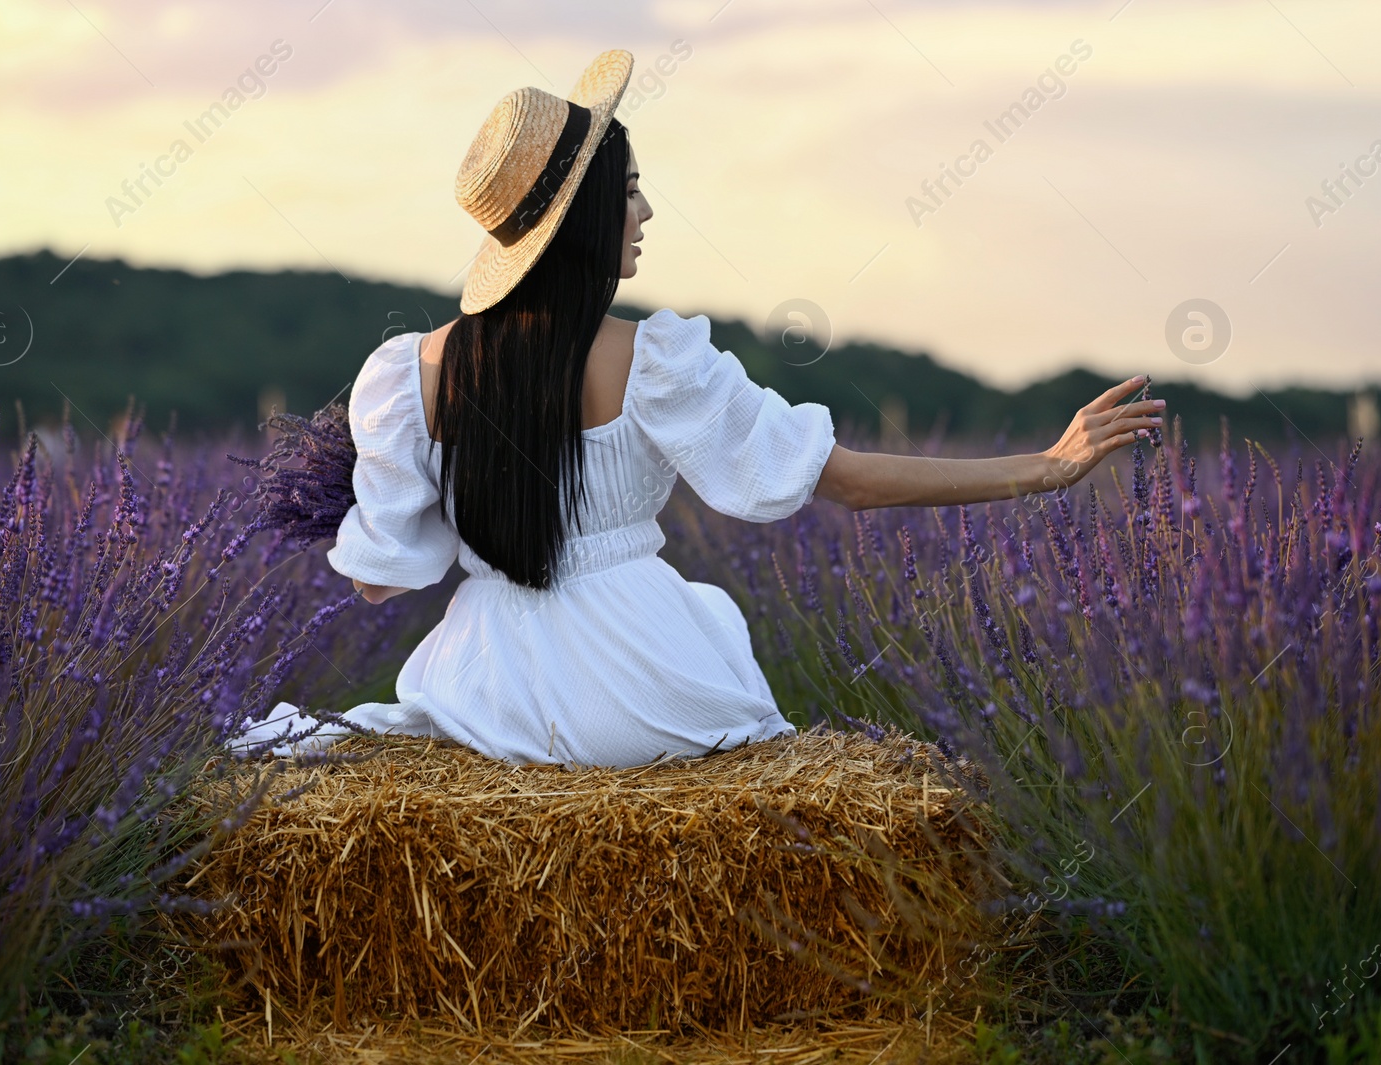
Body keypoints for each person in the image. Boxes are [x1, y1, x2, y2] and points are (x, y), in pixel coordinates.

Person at [240, 49, 1163, 768]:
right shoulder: (657, 360)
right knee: (718, 639)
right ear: (591, 212)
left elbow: (379, 581)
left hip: (484, 695)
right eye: (630, 188)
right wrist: (1047, 466)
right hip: (648, 685)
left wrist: (364, 498)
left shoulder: (408, 375)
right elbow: (846, 484)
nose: (644, 210)